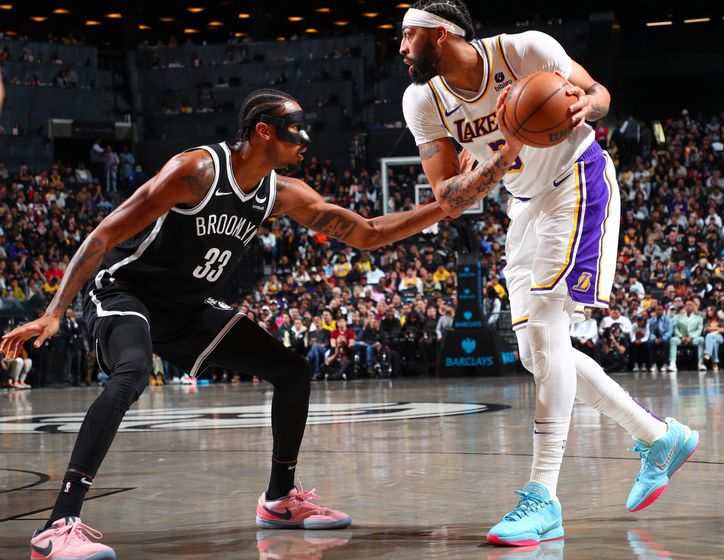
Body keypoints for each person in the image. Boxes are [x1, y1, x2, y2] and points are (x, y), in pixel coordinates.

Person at [1, 88, 448, 560]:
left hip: (188, 308)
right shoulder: (196, 172)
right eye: (296, 128)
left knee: (293, 371)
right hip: (126, 293)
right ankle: (58, 525)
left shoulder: (281, 193)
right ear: (262, 130)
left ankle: (279, 500)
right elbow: (105, 233)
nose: (306, 140)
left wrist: (443, 206)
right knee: (131, 374)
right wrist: (54, 312)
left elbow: (367, 233)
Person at [399, 0, 697, 547]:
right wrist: (504, 153)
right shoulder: (423, 102)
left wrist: (588, 105)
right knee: (537, 353)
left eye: (407, 36)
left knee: (546, 331)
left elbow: (600, 93)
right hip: (524, 204)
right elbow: (448, 198)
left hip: (577, 180)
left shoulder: (526, 49)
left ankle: (544, 497)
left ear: (439, 33)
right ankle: (658, 437)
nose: (400, 49)